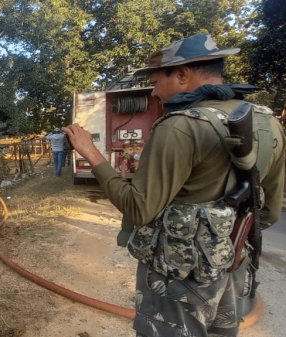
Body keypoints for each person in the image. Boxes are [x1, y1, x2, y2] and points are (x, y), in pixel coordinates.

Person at [63, 34, 285, 337]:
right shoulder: (267, 121)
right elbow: (268, 211)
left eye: (156, 81)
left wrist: (91, 153)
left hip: (179, 277)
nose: (154, 92)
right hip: (232, 266)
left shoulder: (179, 126)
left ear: (182, 75)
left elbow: (138, 208)